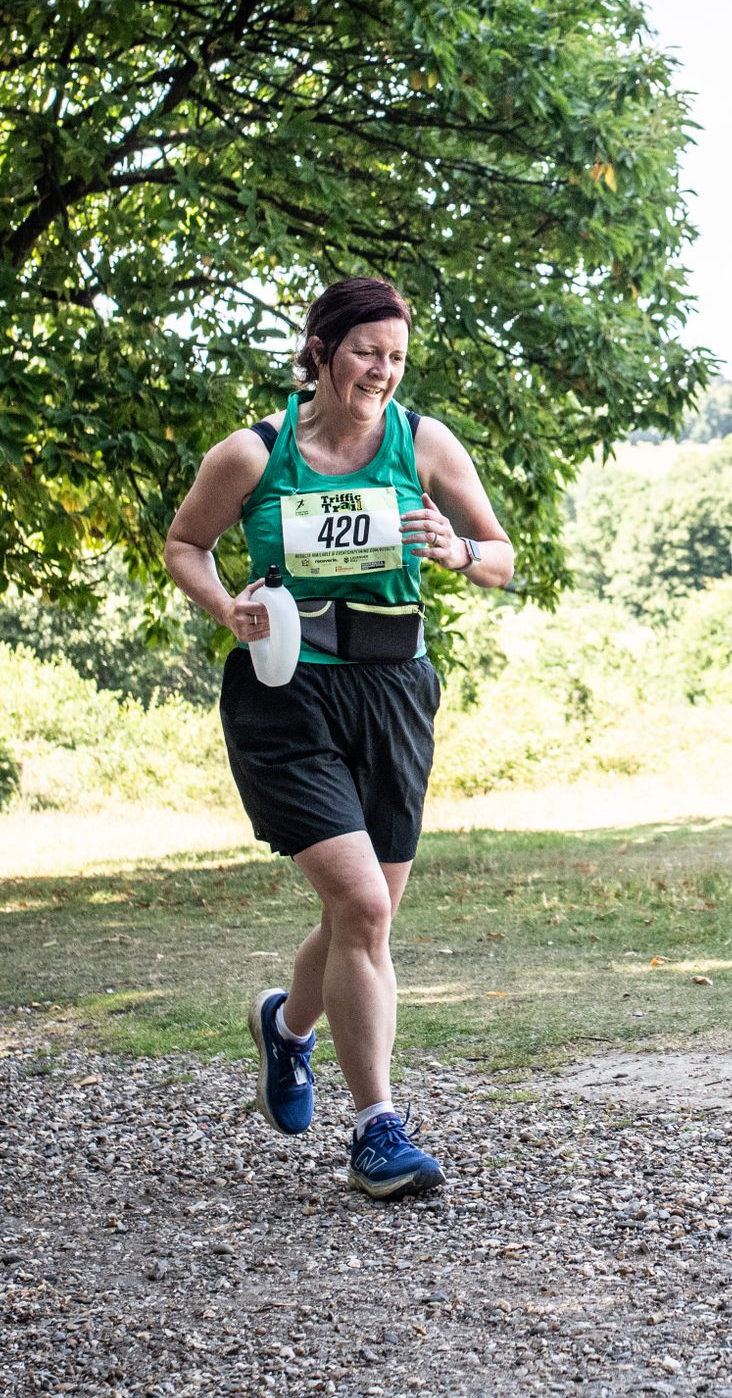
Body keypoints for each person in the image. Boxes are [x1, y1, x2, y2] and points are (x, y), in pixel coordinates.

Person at [164, 276, 514, 1199]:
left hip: (394, 692)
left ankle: (287, 1029)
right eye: (366, 352)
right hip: (286, 695)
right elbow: (184, 544)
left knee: (367, 914)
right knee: (360, 905)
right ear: (321, 351)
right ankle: (377, 1131)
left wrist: (460, 552)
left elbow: (500, 556)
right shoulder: (253, 453)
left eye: (396, 357)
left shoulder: (424, 443)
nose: (382, 372)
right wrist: (225, 605)